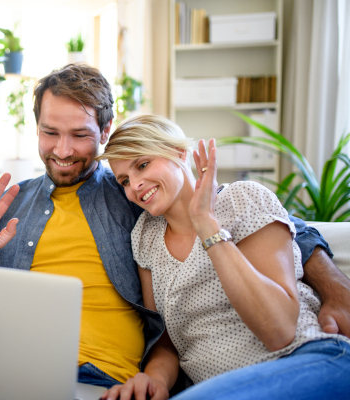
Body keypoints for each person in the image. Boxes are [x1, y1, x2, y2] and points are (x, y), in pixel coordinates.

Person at [0, 64, 350, 390]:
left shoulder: (140, 202)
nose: (63, 150)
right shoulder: (7, 205)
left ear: (104, 135)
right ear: (36, 129)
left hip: (106, 377)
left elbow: (289, 227)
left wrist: (334, 286)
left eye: (80, 135)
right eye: (50, 133)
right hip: (9, 374)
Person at [98, 114, 350, 400]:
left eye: (143, 165)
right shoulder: (145, 237)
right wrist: (154, 380)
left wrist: (206, 223)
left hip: (305, 359)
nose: (136, 185)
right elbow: (166, 340)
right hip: (216, 388)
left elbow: (280, 330)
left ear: (179, 153)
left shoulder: (243, 199)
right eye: (124, 181)